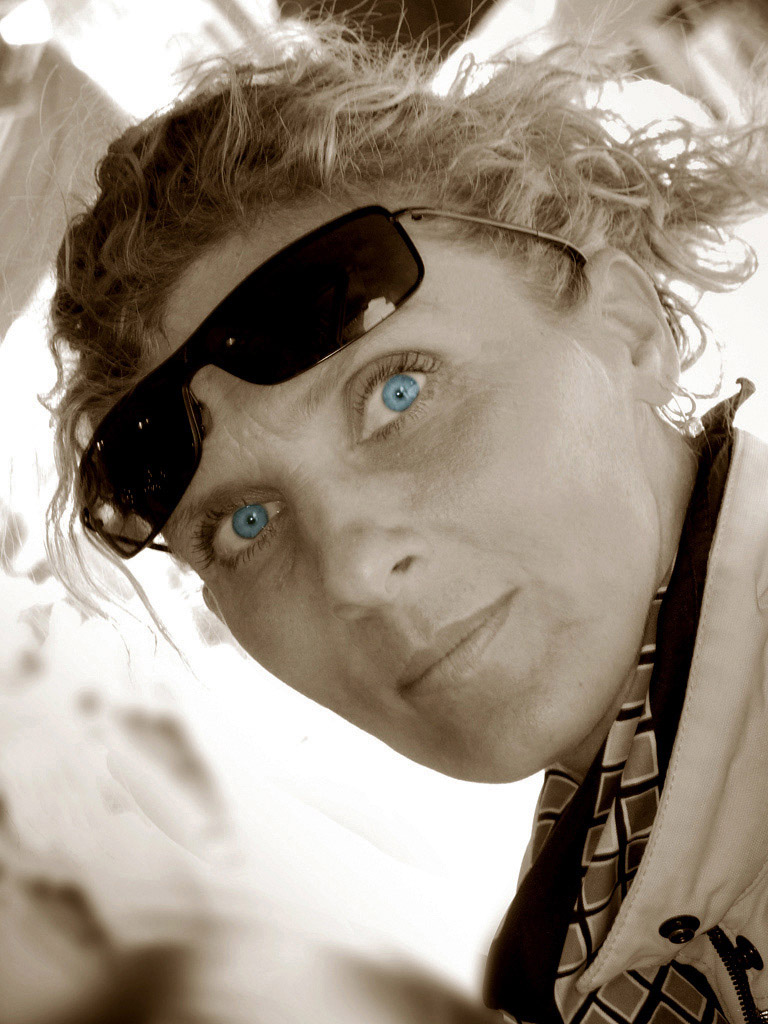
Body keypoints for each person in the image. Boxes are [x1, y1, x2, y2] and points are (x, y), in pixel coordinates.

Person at [45, 11, 768, 1023]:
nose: (352, 569)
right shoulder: (600, 894)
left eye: (398, 393)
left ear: (631, 329)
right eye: (245, 525)